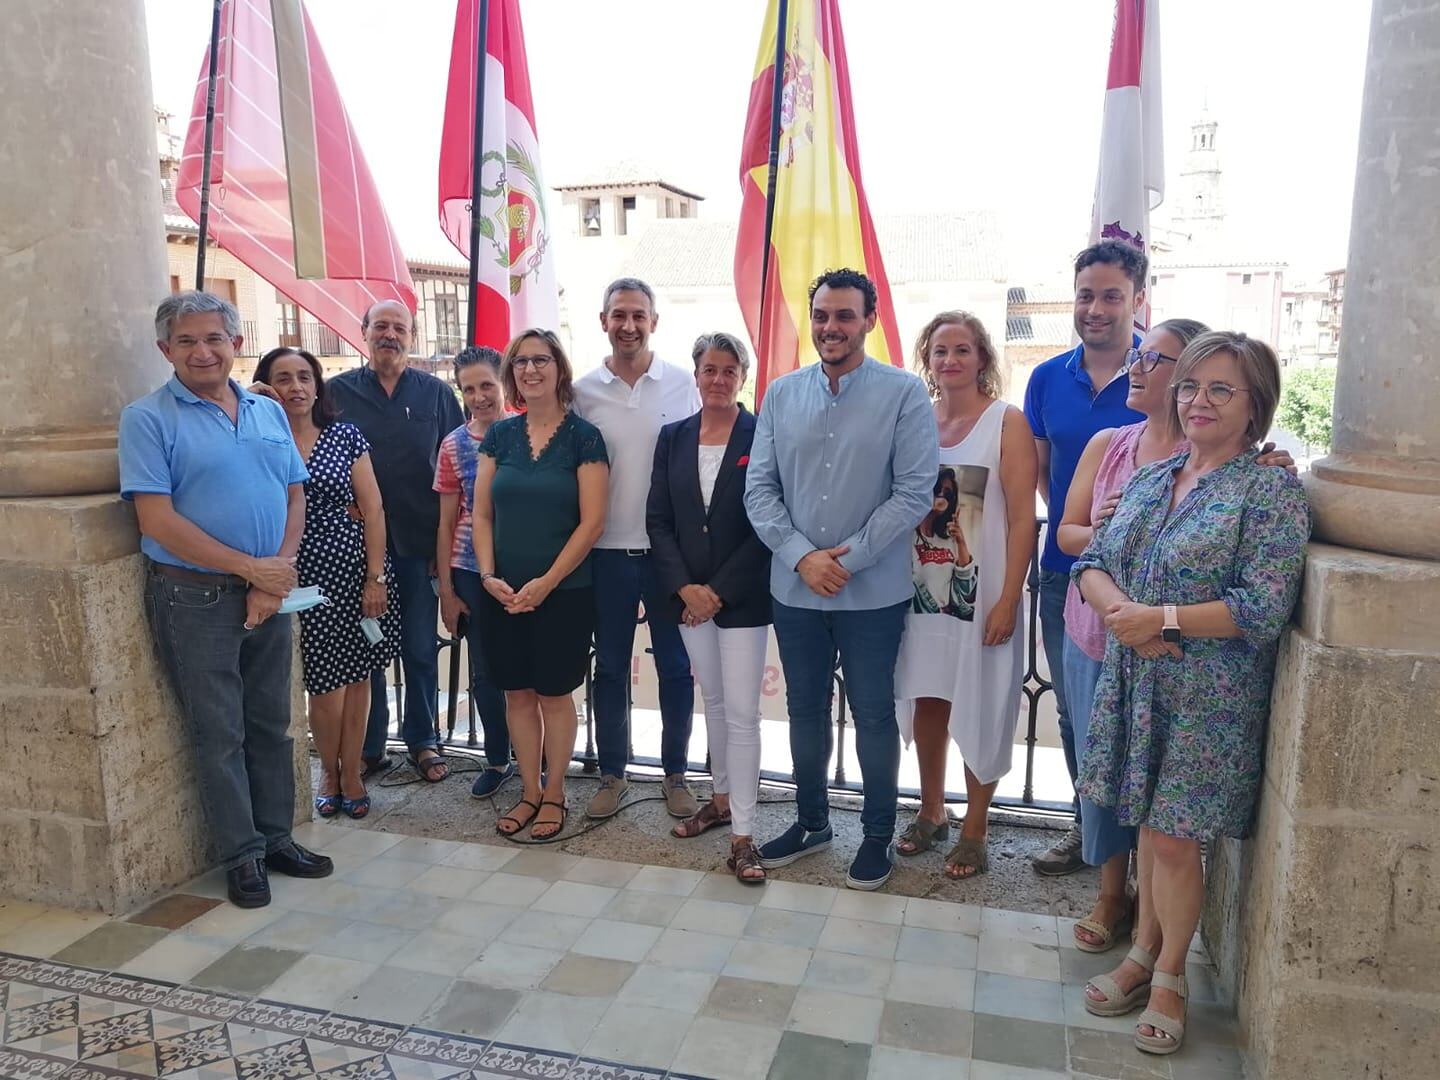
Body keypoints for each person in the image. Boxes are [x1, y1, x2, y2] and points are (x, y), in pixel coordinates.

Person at [1074, 332, 1309, 1055]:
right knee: (1149, 824)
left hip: (1207, 701)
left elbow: (1263, 605)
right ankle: (1143, 952)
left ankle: (1169, 973)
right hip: (1137, 676)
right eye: (1190, 386)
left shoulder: (1267, 489)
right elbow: (1093, 557)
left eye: (1220, 389)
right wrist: (1122, 612)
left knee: (1174, 837)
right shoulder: (1154, 476)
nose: (1197, 401)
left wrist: (1161, 618)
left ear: (1255, 406)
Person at [120, 291, 332, 908]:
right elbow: (156, 519)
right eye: (186, 341)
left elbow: (294, 495)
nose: (202, 351)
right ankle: (242, 856)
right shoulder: (148, 419)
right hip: (195, 599)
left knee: (272, 725)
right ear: (166, 350)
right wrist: (251, 572)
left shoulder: (266, 412)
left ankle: (276, 838)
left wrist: (275, 575)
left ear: (236, 345)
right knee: (220, 734)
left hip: (267, 592)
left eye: (214, 338)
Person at [745, 268, 938, 891]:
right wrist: (804, 557)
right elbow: (760, 489)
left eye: (845, 315)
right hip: (795, 588)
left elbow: (913, 495)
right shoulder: (779, 393)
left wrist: (844, 560)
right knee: (804, 708)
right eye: (822, 315)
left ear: (869, 321)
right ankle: (812, 823)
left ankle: (878, 834)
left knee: (874, 713)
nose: (832, 327)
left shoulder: (905, 394)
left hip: (872, 593)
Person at [1023, 240, 1150, 876]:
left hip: (1152, 582)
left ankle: (1147, 855)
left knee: (1143, 717)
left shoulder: (1165, 371)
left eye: (1110, 296)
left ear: (1138, 300)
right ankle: (1087, 833)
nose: (1095, 308)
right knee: (1075, 710)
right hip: (1065, 570)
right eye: (1085, 295)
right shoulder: (1046, 378)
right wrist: (1085, 523)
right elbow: (1044, 472)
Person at [893, 312, 1037, 878]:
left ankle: (976, 826)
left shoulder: (1007, 423)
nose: (950, 360)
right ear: (927, 361)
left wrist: (1008, 598)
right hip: (920, 594)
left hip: (983, 597)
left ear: (982, 358)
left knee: (981, 701)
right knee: (928, 697)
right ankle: (932, 811)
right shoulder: (915, 421)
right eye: (939, 351)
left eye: (962, 350)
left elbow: (1024, 519)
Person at [472, 329, 609, 839]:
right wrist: (487, 576)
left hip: (565, 593)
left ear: (559, 368)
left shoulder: (584, 437)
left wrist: (548, 582)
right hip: (502, 595)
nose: (531, 370)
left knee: (554, 695)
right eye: (521, 362)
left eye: (541, 360)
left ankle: (555, 794)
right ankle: (528, 791)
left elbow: (592, 523)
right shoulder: (499, 437)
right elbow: (481, 514)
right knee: (517, 695)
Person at [573, 279, 701, 821]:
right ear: (603, 320)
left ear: (654, 321)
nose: (629, 325)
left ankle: (676, 774)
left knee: (676, 666)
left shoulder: (681, 384)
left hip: (668, 554)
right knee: (607, 669)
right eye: (619, 315)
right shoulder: (583, 391)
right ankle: (612, 774)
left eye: (639, 315)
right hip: (604, 552)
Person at [254, 346, 400, 820]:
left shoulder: (344, 436)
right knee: (323, 683)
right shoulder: (258, 437)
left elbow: (374, 508)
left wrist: (374, 578)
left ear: (318, 386)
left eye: (304, 377)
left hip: (355, 570)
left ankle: (352, 771)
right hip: (296, 577)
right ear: (267, 387)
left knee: (358, 678)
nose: (295, 387)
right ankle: (329, 774)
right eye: (282, 379)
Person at [647, 332, 773, 884]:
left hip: (742, 597)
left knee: (744, 714)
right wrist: (685, 588)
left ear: (741, 376)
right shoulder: (672, 437)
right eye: (708, 370)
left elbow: (768, 521)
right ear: (694, 375)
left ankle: (744, 836)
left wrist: (716, 589)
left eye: (728, 370)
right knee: (715, 702)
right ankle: (720, 800)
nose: (717, 379)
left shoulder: (762, 434)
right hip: (689, 600)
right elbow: (659, 520)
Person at [327, 301, 464, 784]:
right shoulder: (334, 393)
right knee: (367, 649)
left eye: (398, 327)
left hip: (420, 546)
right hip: (358, 549)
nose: (389, 334)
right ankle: (370, 746)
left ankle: (422, 739)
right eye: (380, 326)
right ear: (363, 332)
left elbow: (457, 467)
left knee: (421, 648)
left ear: (412, 335)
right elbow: (310, 450)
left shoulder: (435, 394)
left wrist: (445, 550)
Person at [435, 346, 514, 800]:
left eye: (487, 385)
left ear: (504, 382)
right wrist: (447, 591)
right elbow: (446, 522)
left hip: (526, 569)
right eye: (469, 389)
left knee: (527, 668)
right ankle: (497, 759)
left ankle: (535, 754)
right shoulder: (454, 444)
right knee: (484, 671)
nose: (479, 396)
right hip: (470, 570)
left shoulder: (531, 431)